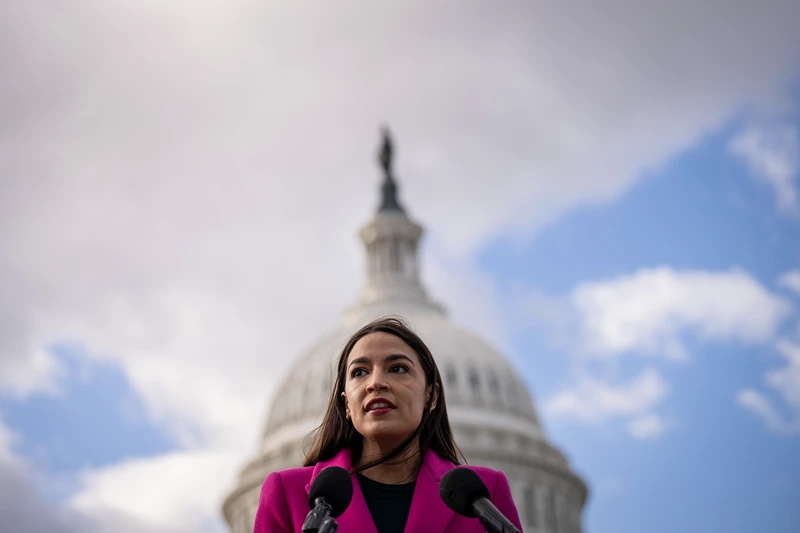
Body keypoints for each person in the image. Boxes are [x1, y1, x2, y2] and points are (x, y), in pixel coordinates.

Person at [253, 316, 523, 533]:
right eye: (359, 372)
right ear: (346, 404)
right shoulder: (287, 493)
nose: (376, 383)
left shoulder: (485, 495)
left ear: (431, 396)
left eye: (398, 368)